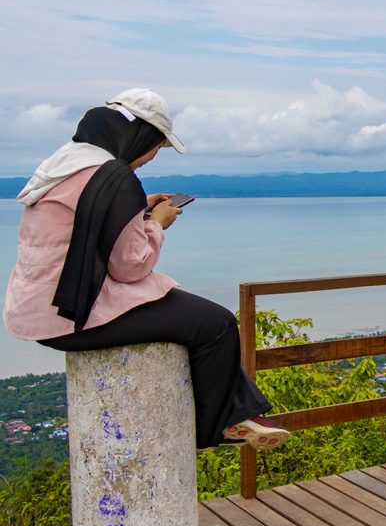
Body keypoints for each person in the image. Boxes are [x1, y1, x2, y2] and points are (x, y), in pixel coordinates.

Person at [3, 89, 289, 451]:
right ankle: (217, 427)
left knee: (186, 310)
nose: (150, 158)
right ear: (139, 137)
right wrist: (157, 224)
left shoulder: (67, 164)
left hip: (37, 310)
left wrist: (136, 206)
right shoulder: (114, 177)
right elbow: (131, 267)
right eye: (156, 147)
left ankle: (242, 414)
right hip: (72, 316)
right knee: (214, 324)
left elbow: (86, 223)